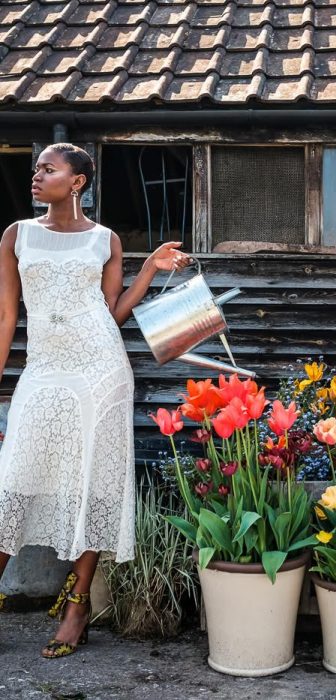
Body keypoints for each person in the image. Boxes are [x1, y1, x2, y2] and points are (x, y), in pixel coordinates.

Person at [0, 143, 189, 657]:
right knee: (14, 477)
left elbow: (112, 312)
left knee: (93, 480)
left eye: (48, 168)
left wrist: (149, 267)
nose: (37, 175)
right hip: (43, 369)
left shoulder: (104, 240)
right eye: (36, 168)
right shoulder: (17, 234)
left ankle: (78, 604)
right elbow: (6, 317)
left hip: (101, 370)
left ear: (78, 181)